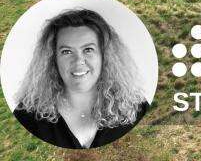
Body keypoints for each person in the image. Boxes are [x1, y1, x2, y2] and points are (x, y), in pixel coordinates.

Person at [12, 9, 150, 149]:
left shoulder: (138, 111)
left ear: (105, 56)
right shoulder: (25, 117)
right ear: (53, 59)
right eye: (66, 52)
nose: (78, 61)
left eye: (88, 50)